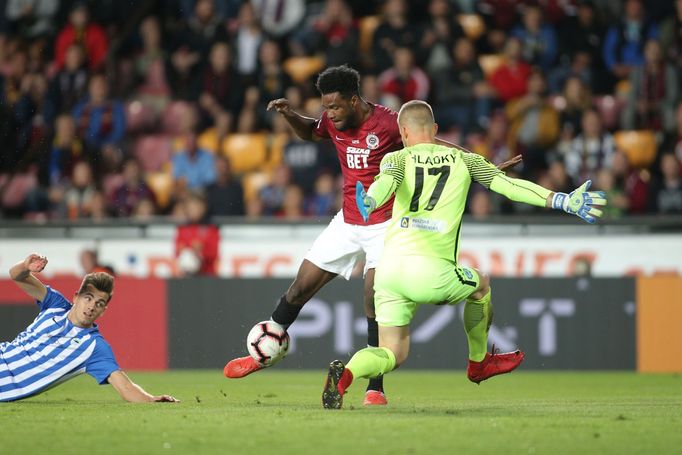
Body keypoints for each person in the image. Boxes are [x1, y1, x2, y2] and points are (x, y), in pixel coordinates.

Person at [223, 65, 521, 406]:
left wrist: (484, 165)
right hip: (348, 220)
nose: (330, 114)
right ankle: (263, 353)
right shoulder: (333, 122)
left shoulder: (388, 123)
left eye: (335, 107)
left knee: (374, 302)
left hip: (386, 225)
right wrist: (291, 114)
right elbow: (309, 131)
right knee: (299, 287)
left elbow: (432, 144)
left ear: (354, 100)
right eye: (325, 108)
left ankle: (374, 388)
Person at [320, 100, 607, 409]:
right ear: (435, 130)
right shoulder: (465, 160)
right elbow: (509, 187)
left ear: (403, 132)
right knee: (481, 285)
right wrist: (561, 200)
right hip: (432, 272)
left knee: (391, 352)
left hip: (389, 273)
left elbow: (383, 185)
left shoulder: (395, 159)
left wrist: (370, 201)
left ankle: (346, 376)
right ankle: (478, 362)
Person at [1, 253, 178, 403]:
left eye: (99, 303)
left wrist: (151, 399)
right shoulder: (55, 304)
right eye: (88, 298)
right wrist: (25, 265)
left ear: (103, 311)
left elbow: (125, 387)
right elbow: (17, 275)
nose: (92, 306)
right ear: (76, 297)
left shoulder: (94, 347)